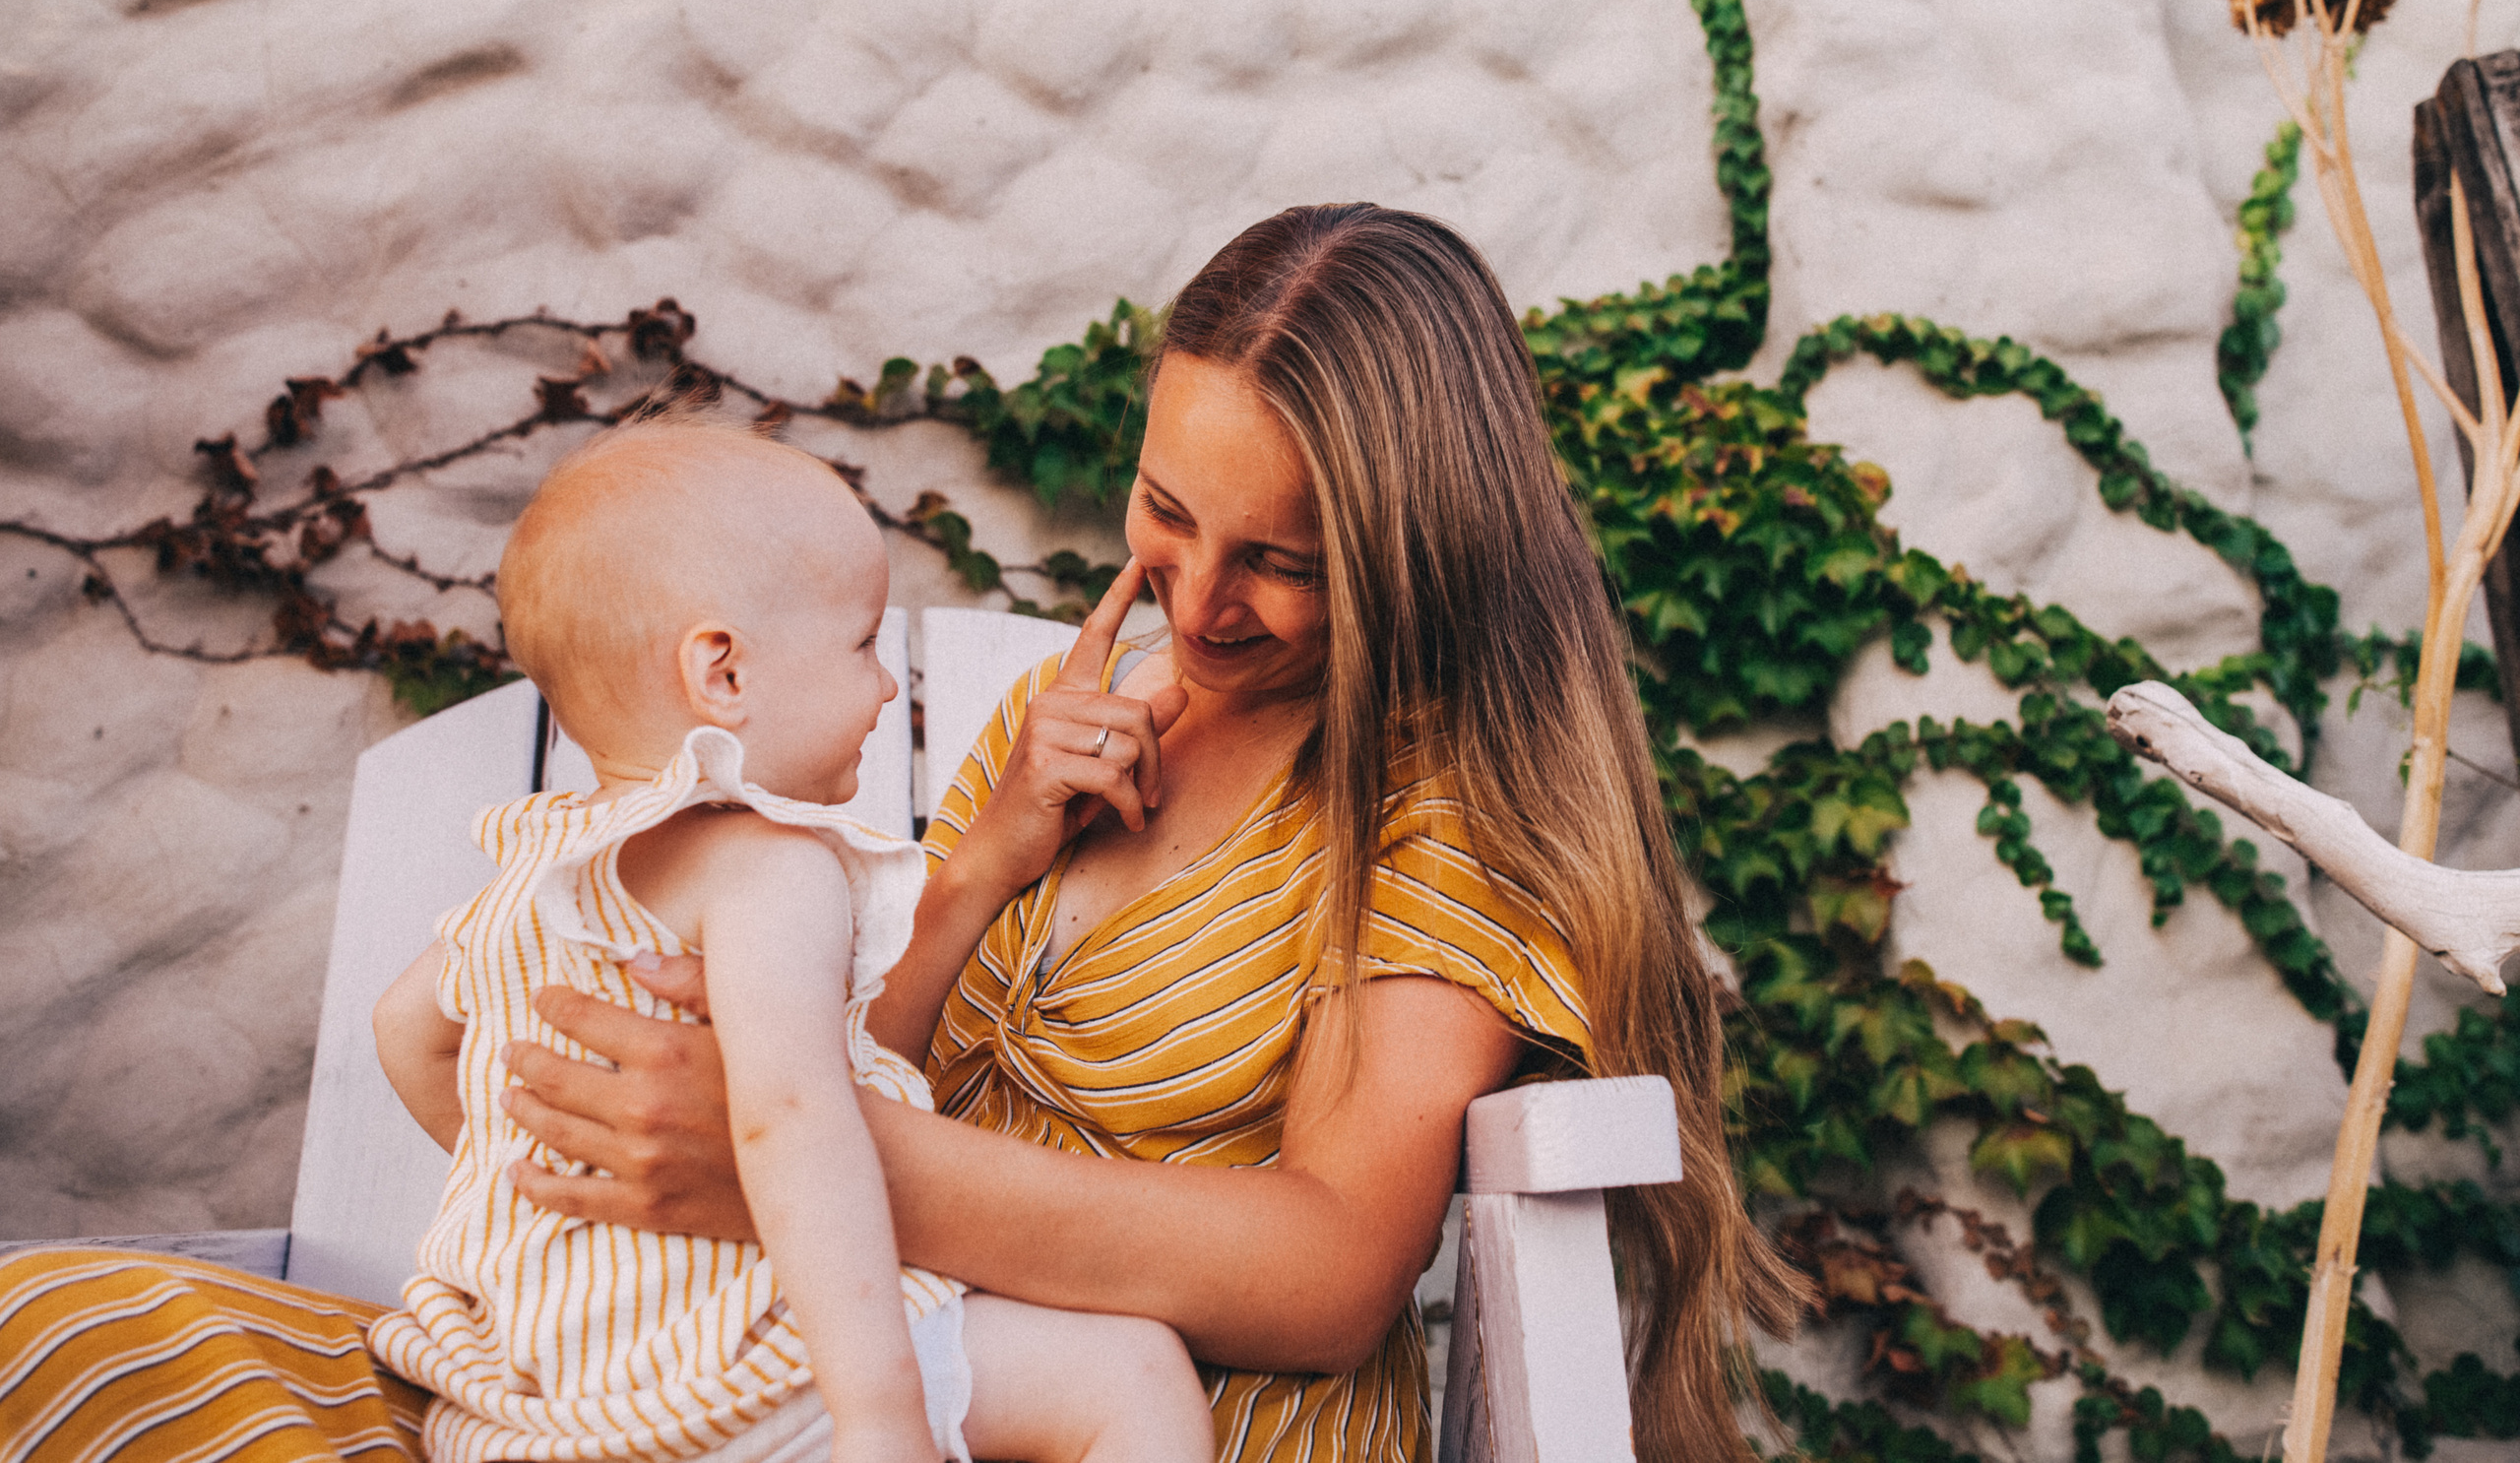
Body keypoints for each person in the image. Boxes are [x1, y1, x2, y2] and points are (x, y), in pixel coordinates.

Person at [0, 204, 1799, 1463]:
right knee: (65, 1335)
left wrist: (800, 1159)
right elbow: (854, 1037)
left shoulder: (1441, 813)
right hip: (805, 1355)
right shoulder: (1080, 715)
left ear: (1411, 557)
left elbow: (1334, 1271)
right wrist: (976, 867)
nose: (1199, 592)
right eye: (1168, 513)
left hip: (1115, 1413)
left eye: (1283, 561)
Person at [364, 415, 1214, 1463]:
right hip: (737, 1395)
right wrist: (880, 1419)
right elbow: (794, 1130)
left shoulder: (533, 877)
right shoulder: (774, 869)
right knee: (1130, 1376)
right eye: (861, 643)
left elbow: (405, 1030)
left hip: (527, 1407)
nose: (886, 684)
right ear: (724, 673)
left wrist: (576, 1213)